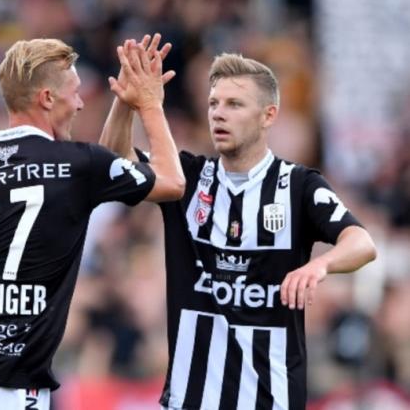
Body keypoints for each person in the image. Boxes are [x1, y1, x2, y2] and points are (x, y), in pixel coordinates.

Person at [0, 36, 185, 409]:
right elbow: (172, 183)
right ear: (47, 98)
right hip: (10, 386)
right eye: (75, 93)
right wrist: (149, 103)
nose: (79, 104)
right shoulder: (77, 164)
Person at [99, 52, 377, 410]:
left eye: (234, 104)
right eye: (213, 103)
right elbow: (111, 167)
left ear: (268, 115)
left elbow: (361, 242)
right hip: (190, 400)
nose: (218, 113)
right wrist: (125, 101)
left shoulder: (298, 186)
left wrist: (319, 266)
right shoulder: (185, 178)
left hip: (269, 400)